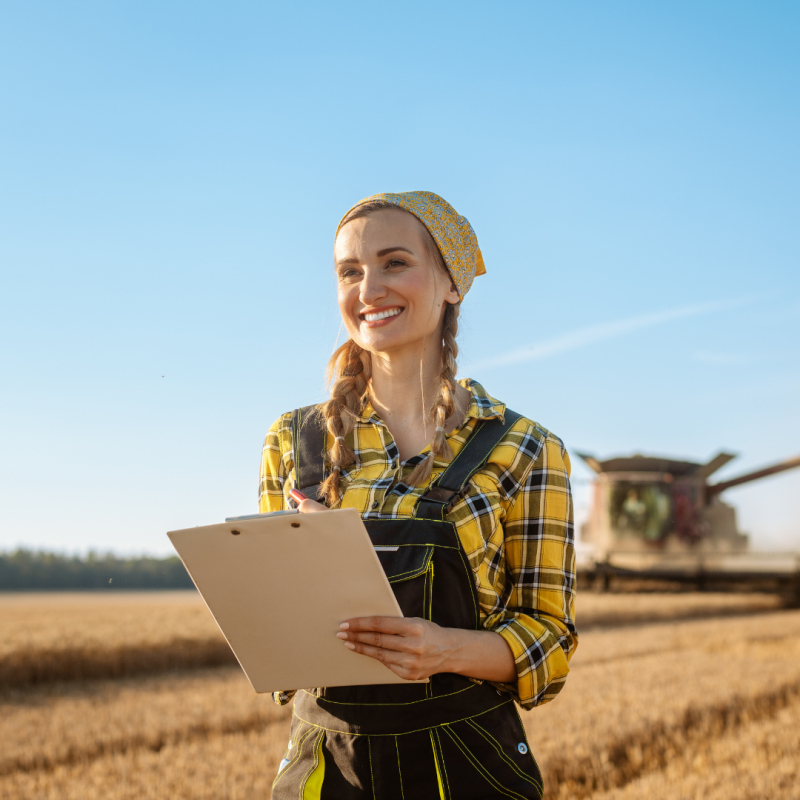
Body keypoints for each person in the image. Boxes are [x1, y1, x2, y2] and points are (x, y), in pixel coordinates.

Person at [259, 191, 577, 799]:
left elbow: (549, 639)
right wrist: (302, 579)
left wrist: (444, 650)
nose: (369, 288)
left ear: (450, 283)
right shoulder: (293, 442)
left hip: (466, 764)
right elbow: (279, 654)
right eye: (350, 271)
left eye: (395, 263)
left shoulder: (526, 448)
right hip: (329, 769)